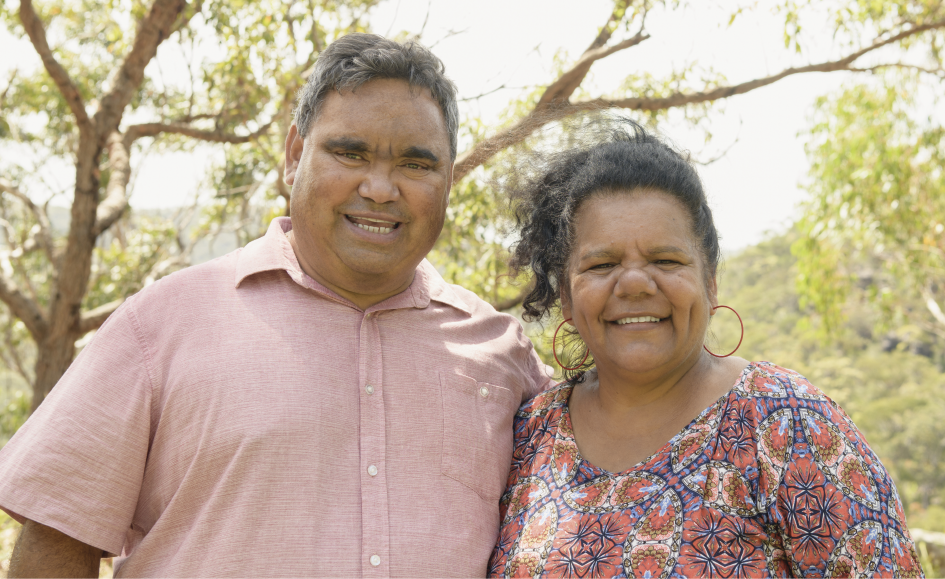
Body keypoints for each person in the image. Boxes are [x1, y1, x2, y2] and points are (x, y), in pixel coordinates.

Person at [0, 34, 552, 578]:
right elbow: (57, 541)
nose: (380, 189)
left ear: (448, 180)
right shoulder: (164, 324)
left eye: (416, 164)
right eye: (349, 152)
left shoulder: (501, 352)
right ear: (294, 155)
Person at [488, 119, 923, 579]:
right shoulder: (529, 437)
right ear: (568, 299)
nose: (635, 283)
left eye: (666, 260)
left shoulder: (786, 423)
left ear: (710, 285)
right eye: (602, 263)